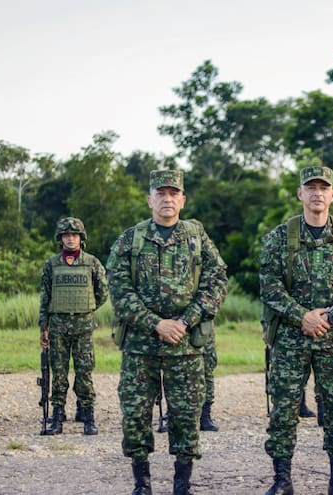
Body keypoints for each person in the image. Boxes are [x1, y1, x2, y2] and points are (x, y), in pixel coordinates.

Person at [107, 170, 228, 495]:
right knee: (134, 415)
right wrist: (156, 323)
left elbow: (217, 280)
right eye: (161, 193)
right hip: (140, 347)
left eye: (174, 193)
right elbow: (118, 290)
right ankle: (142, 484)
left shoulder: (197, 237)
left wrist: (185, 321)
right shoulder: (131, 239)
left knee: (186, 417)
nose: (167, 199)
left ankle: (181, 485)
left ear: (183, 200)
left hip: (186, 347)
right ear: (150, 199)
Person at [260, 165, 333, 495]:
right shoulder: (280, 237)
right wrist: (302, 316)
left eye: (324, 187)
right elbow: (269, 284)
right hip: (291, 339)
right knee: (283, 409)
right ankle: (282, 480)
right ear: (300, 194)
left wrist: (330, 316)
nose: (317, 193)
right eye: (311, 187)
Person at [39, 217, 108, 435]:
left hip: (83, 325)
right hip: (58, 325)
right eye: (66, 235)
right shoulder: (51, 264)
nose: (71, 238)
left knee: (84, 372)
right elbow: (45, 297)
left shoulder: (92, 262)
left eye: (75, 235)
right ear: (60, 238)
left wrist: (87, 307)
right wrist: (44, 326)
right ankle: (57, 418)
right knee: (58, 373)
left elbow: (102, 292)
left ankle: (88, 417)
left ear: (81, 238)